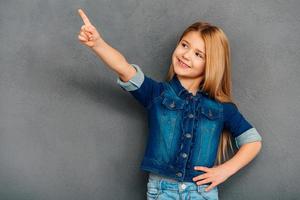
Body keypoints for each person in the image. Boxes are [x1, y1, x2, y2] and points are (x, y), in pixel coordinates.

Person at [77, 8, 263, 200]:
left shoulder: (221, 107)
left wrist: (225, 170)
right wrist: (97, 44)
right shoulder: (156, 94)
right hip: (162, 191)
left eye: (199, 54)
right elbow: (124, 68)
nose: (186, 55)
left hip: (202, 193)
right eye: (184, 45)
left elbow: (253, 141)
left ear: (212, 64)